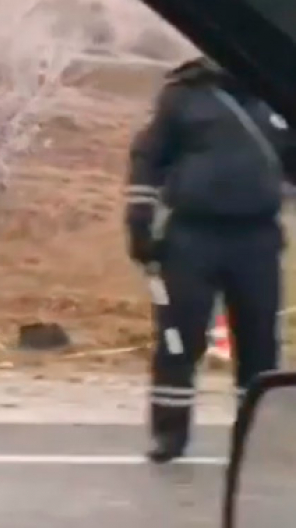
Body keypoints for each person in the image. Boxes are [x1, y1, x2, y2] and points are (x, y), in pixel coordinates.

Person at [124, 56, 296, 463]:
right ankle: (170, 435)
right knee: (179, 340)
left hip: (257, 238)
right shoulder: (183, 96)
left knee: (259, 344)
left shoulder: (276, 96)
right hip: (190, 238)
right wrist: (139, 221)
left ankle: (256, 437)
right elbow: (148, 158)